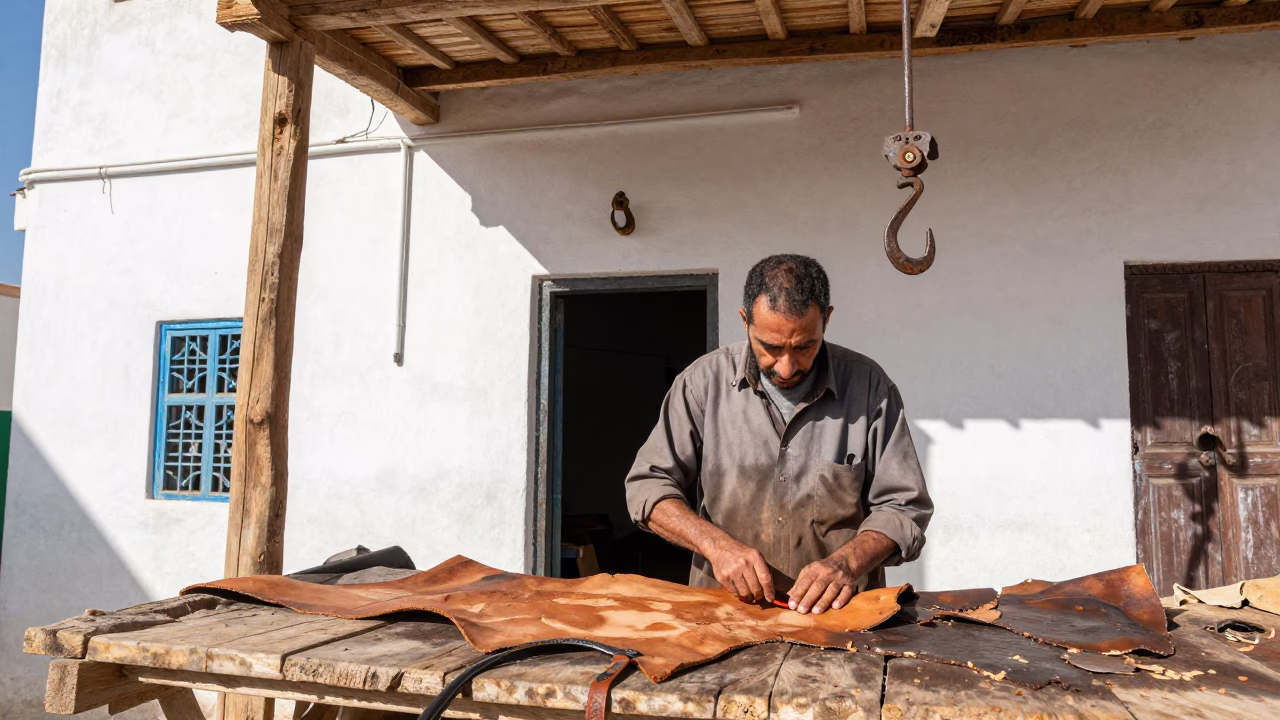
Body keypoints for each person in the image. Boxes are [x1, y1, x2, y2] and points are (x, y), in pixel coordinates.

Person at [624, 254, 932, 615]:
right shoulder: (701, 384)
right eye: (770, 346)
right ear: (744, 321)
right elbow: (647, 487)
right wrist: (715, 546)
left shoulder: (869, 387)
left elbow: (904, 507)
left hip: (839, 618)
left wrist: (847, 563)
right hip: (723, 614)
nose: (786, 367)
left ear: (826, 320)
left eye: (804, 346)